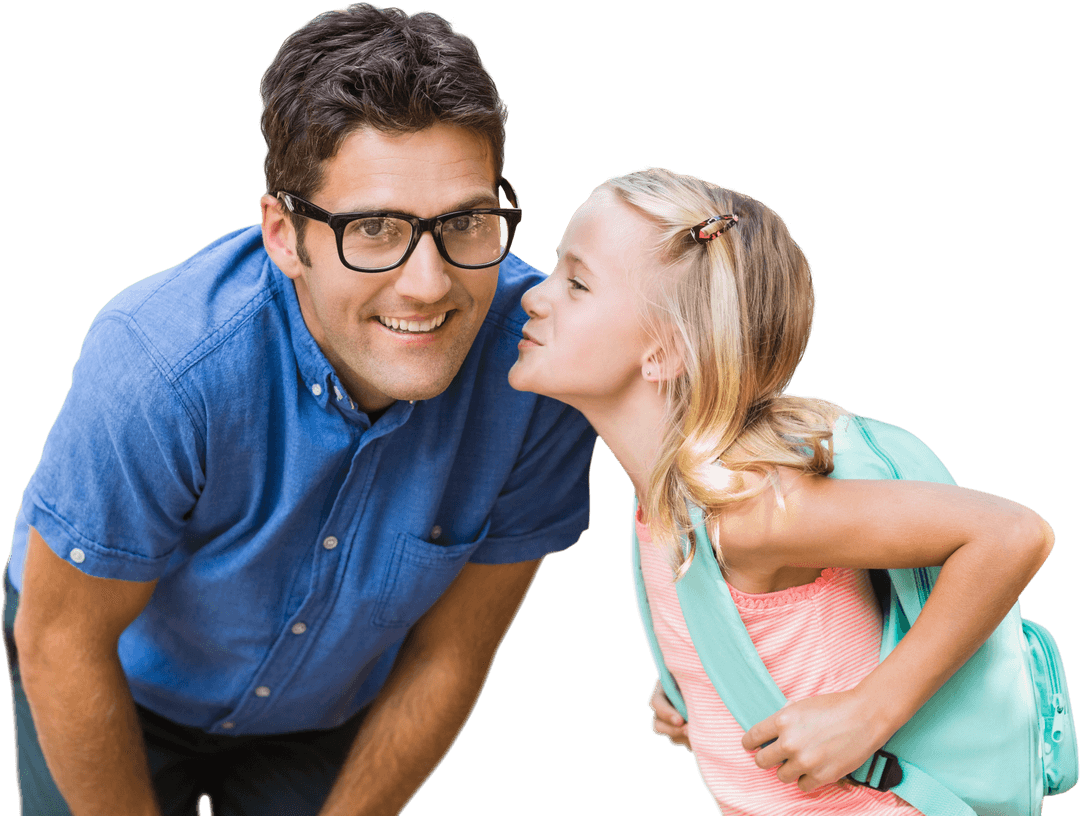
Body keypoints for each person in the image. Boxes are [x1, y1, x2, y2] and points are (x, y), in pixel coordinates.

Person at [3, 5, 596, 815]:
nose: (428, 283)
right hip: (117, 681)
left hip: (329, 711)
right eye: (376, 229)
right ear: (285, 234)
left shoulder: (540, 369)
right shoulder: (158, 366)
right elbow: (62, 640)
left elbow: (451, 654)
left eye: (464, 220)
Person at [508, 166, 1056, 813]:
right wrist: (707, 683)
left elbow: (1013, 534)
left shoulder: (752, 510)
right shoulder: (668, 496)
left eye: (576, 282)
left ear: (661, 352)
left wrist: (868, 714)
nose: (535, 297)